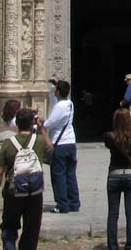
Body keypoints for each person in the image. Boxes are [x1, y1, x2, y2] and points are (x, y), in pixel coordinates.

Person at [0, 108, 53, 250]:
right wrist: (42, 128)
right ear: (33, 124)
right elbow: (51, 149)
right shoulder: (40, 141)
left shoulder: (8, 143)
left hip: (13, 192)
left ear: (16, 124)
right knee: (32, 229)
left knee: (9, 226)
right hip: (34, 192)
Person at [104, 108, 131, 250]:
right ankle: (130, 245)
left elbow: (107, 135)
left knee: (113, 214)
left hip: (114, 175)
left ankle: (113, 245)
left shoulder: (109, 137)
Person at [44, 79, 80, 213]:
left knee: (58, 175)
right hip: (70, 142)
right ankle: (74, 202)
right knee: (70, 174)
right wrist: (55, 84)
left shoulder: (60, 107)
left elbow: (50, 123)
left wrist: (41, 123)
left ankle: (62, 204)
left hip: (60, 144)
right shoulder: (70, 104)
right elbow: (55, 102)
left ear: (58, 91)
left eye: (55, 90)